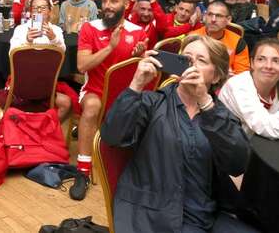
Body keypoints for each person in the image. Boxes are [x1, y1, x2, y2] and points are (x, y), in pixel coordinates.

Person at [101, 35, 252, 233]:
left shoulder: (219, 113)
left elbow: (237, 163)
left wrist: (205, 101)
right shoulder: (152, 102)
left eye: (201, 60)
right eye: (187, 58)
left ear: (215, 76)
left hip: (202, 212)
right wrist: (136, 85)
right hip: (152, 212)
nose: (192, 65)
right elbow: (112, 136)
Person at [75, 0, 147, 189]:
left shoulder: (137, 32)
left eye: (113, 2)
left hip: (125, 94)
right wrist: (110, 48)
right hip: (95, 90)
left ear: (125, 5)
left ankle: (137, 170)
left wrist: (138, 56)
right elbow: (82, 65)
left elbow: (141, 69)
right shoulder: (90, 28)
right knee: (91, 109)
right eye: (105, 1)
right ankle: (83, 171)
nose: (107, 6)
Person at [9, 0, 78, 121]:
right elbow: (12, 53)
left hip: (47, 85)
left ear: (50, 12)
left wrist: (53, 38)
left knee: (68, 103)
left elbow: (62, 52)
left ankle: (42, 131)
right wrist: (27, 40)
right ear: (30, 12)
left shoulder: (56, 30)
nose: (39, 11)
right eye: (35, 8)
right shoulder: (21, 29)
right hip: (22, 83)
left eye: (43, 8)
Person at [189, 1, 250, 75]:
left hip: (226, 83)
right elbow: (183, 66)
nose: (213, 20)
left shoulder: (238, 42)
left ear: (228, 20)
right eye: (210, 14)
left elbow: (242, 74)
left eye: (219, 16)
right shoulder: (192, 37)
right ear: (204, 16)